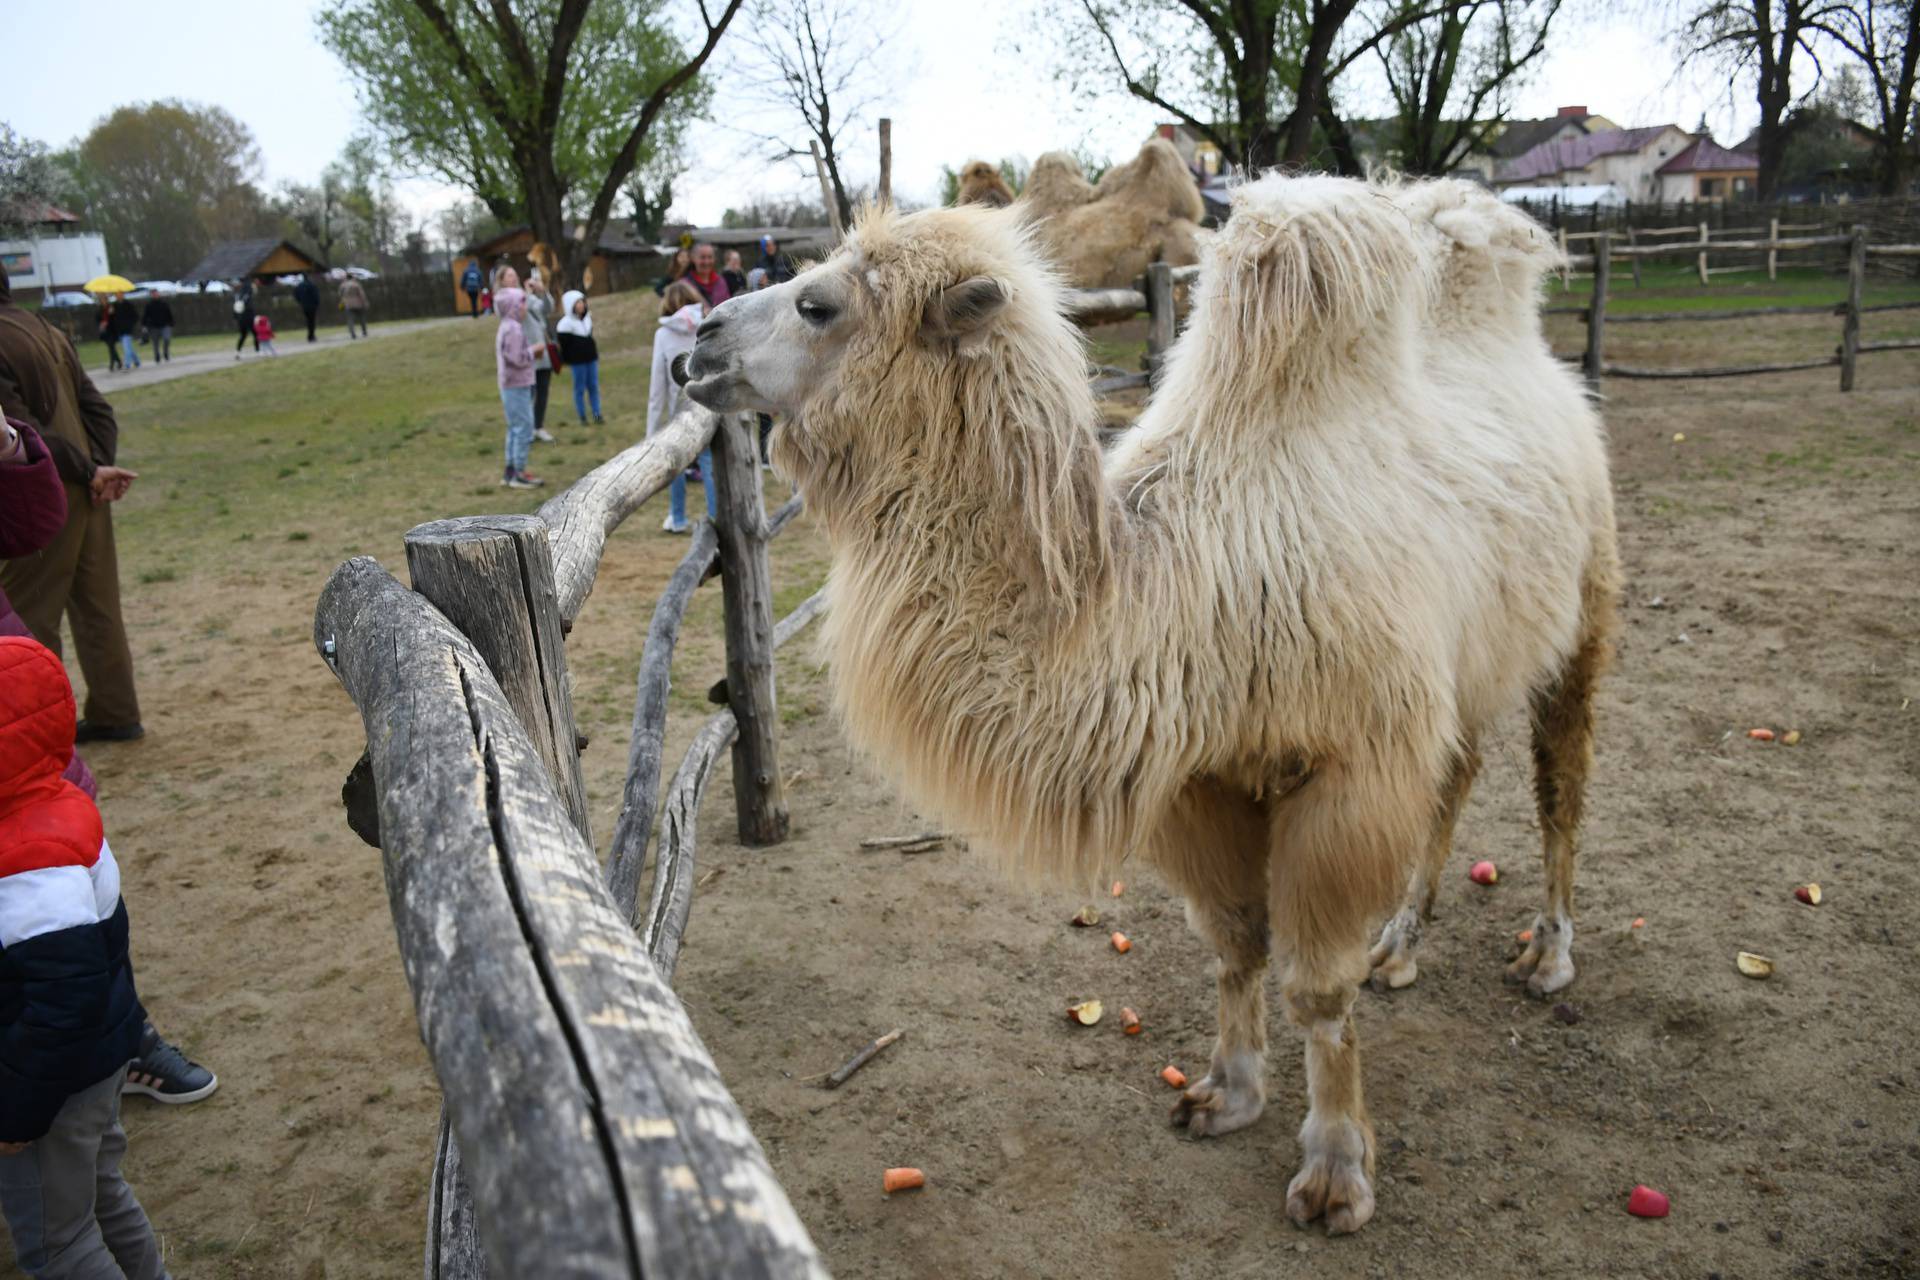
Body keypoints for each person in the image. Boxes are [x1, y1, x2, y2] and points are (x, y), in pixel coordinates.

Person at [0, 416, 218, 1115]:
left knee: (72, 892)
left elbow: (31, 522)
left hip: (19, 742)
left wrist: (12, 447)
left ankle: (120, 1044)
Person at [0, 634, 172, 1280]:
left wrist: (17, 1112)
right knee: (101, 1194)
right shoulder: (60, 811)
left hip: (52, 1087)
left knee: (58, 1243)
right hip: (97, 1062)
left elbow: (62, 1001)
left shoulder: (25, 863)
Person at [0, 272, 144, 742]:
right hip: (87, 490)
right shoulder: (46, 329)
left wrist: (88, 472)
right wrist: (99, 468)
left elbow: (21, 430)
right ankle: (116, 710)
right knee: (99, 608)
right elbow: (97, 409)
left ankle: (40, 736)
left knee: (29, 616)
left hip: (38, 494)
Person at [649, 281, 715, 534]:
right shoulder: (706, 325)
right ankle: (714, 518)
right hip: (707, 403)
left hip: (679, 408)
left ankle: (677, 518)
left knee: (677, 463)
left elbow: (658, 386)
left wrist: (652, 430)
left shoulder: (662, 335)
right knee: (709, 463)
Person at [493, 287, 542, 489]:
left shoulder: (507, 325)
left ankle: (510, 471)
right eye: (522, 302)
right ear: (513, 307)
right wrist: (534, 351)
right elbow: (516, 358)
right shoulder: (513, 328)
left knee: (514, 428)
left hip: (510, 384)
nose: (525, 307)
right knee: (524, 427)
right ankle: (519, 473)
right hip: (516, 384)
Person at [555, 290, 601, 425]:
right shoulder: (565, 324)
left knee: (593, 387)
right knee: (579, 389)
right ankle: (582, 416)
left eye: (582, 302)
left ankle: (597, 414)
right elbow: (564, 346)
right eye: (578, 303)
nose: (581, 305)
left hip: (591, 359)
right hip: (578, 362)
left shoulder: (587, 319)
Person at [524, 278, 555, 442]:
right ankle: (527, 429)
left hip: (544, 356)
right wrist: (527, 293)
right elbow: (523, 308)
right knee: (528, 395)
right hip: (528, 355)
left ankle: (539, 427)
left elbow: (548, 308)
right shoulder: (519, 301)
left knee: (543, 394)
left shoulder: (535, 300)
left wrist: (543, 291)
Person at [683, 243, 730, 309]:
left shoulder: (721, 283)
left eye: (710, 257)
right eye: (702, 257)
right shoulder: (685, 285)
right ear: (693, 258)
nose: (706, 262)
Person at [108, 297, 141, 372]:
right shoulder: (114, 306)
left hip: (127, 330)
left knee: (126, 348)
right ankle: (136, 361)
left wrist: (130, 324)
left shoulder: (128, 304)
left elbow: (135, 316)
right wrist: (111, 313)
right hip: (119, 330)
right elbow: (112, 319)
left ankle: (127, 364)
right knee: (129, 347)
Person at [139, 292, 172, 363]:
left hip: (164, 325)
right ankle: (157, 356)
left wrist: (171, 322)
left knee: (167, 339)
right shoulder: (149, 305)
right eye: (153, 294)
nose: (155, 295)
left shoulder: (164, 303)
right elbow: (145, 316)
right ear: (151, 295)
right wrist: (144, 325)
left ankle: (165, 352)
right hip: (154, 326)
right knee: (155, 342)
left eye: (156, 294)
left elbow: (169, 313)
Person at [232, 278, 258, 359]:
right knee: (255, 334)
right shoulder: (247, 295)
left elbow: (235, 309)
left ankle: (238, 352)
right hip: (248, 317)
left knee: (243, 335)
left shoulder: (237, 295)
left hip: (241, 318)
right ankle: (258, 351)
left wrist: (236, 318)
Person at [293, 273, 321, 342]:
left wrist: (300, 301)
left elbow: (296, 294)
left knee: (308, 320)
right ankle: (311, 335)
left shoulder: (299, 286)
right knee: (312, 321)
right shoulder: (312, 285)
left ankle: (310, 335)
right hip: (312, 306)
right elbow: (316, 296)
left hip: (304, 306)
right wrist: (317, 304)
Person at [96, 301, 119, 372]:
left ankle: (112, 364)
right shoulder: (99, 309)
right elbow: (97, 319)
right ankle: (119, 361)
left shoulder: (112, 307)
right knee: (111, 347)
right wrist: (102, 323)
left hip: (112, 331)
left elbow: (115, 319)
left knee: (111, 347)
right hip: (104, 332)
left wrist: (112, 314)